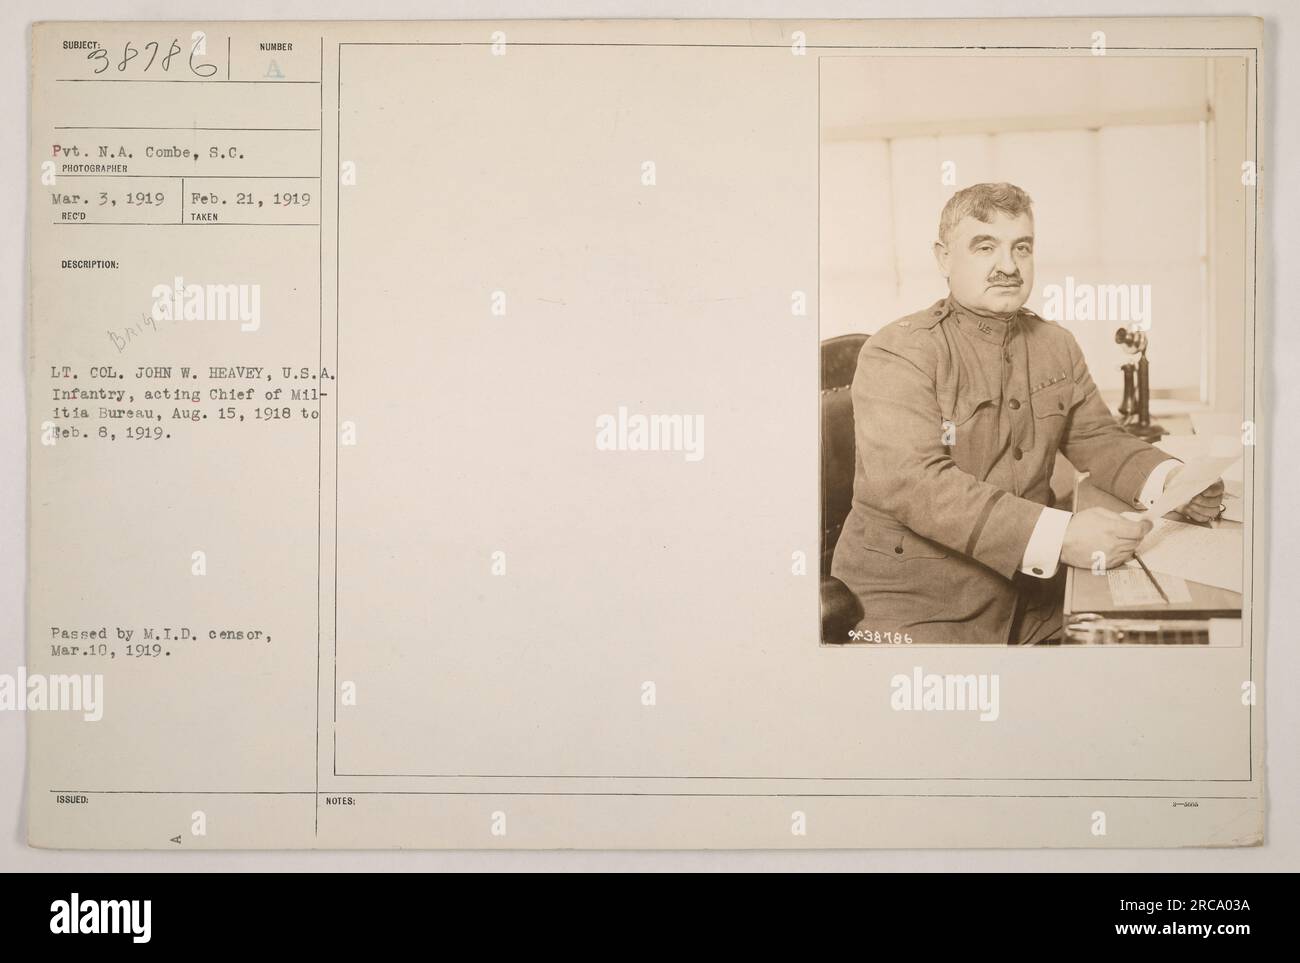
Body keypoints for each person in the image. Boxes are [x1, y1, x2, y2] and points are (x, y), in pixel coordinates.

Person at [830, 182, 1223, 644]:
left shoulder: (1055, 344)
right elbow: (915, 483)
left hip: (1031, 598)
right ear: (942, 258)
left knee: (1156, 650)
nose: (1008, 266)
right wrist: (1062, 536)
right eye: (984, 247)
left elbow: (1099, 437)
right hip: (916, 606)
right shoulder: (898, 351)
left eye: (1022, 247)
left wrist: (1172, 483)